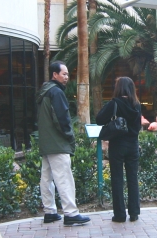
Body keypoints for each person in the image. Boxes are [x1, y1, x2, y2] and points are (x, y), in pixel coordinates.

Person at [37, 61, 90, 226]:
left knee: (46, 178)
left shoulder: (44, 91)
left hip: (46, 142)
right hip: (57, 142)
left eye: (67, 74)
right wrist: (69, 136)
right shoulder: (56, 92)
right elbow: (62, 118)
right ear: (55, 75)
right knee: (64, 177)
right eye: (64, 74)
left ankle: (50, 212)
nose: (67, 77)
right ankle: (71, 213)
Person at [95, 77, 143, 223]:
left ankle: (120, 214)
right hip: (133, 145)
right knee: (133, 178)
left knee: (117, 179)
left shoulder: (114, 103)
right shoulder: (137, 105)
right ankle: (134, 213)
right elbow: (137, 126)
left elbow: (99, 119)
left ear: (118, 88)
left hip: (117, 145)